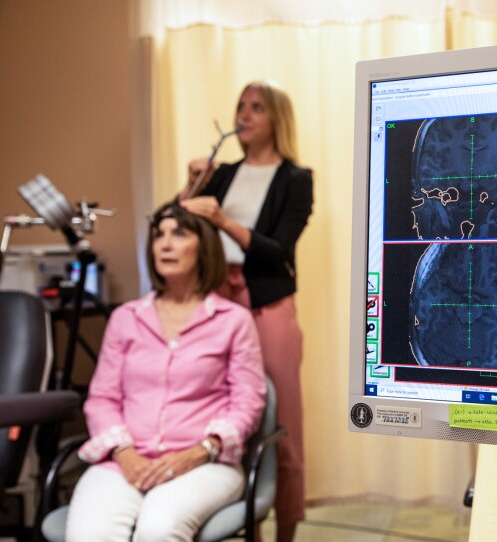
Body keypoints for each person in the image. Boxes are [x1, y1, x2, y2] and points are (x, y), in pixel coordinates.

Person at [65, 203, 266, 541]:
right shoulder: (126, 318)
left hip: (204, 463)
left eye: (179, 234)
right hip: (125, 462)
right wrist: (124, 453)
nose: (165, 244)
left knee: (158, 529)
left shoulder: (233, 320)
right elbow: (102, 398)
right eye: (159, 235)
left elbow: (248, 401)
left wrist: (201, 450)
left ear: (203, 246)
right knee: (90, 533)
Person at [180, 79, 313, 541]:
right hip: (217, 304)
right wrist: (191, 182)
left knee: (284, 427)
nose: (244, 115)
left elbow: (278, 251)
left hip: (268, 306)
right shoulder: (220, 174)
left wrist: (222, 220)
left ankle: (286, 534)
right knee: (231, 420)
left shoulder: (296, 179)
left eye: (257, 107)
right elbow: (173, 230)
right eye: (240, 106)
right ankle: (247, 529)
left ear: (277, 118)